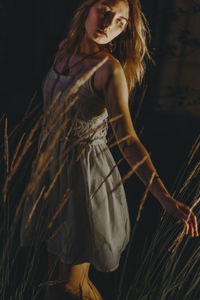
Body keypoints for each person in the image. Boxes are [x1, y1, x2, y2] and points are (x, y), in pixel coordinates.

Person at [20, 0, 198, 299]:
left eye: (120, 22)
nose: (108, 23)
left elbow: (127, 140)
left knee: (69, 286)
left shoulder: (108, 70)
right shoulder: (64, 49)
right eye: (104, 10)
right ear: (87, 8)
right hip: (51, 170)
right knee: (53, 283)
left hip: (83, 180)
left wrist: (165, 198)